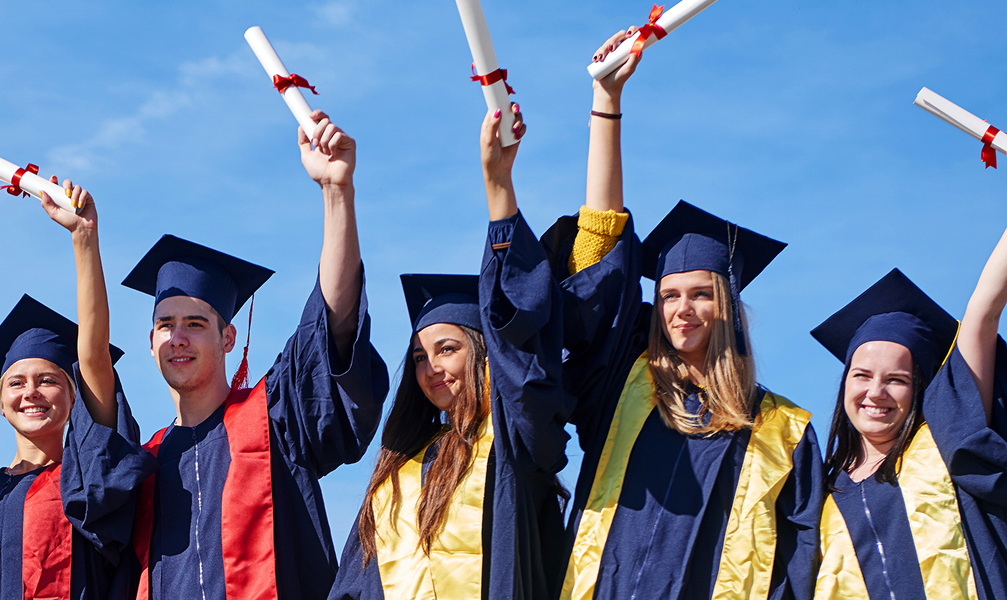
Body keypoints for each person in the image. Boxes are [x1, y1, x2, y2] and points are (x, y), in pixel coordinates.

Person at [545, 32, 821, 600]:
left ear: (729, 306)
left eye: (700, 294)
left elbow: (800, 569)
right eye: (669, 295)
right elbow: (601, 249)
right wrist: (606, 103)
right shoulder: (624, 381)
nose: (681, 310)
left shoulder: (785, 431)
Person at [122, 110, 390, 600]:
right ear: (151, 341)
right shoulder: (143, 466)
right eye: (165, 325)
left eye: (196, 324)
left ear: (228, 338)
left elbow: (331, 325)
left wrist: (337, 193)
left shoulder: (273, 419)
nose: (178, 337)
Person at [330, 106, 572, 600]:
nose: (432, 367)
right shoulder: (396, 476)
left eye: (447, 349)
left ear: (485, 355)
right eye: (420, 357)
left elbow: (520, 355)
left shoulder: (512, 441)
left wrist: (498, 184)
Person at [807, 139, 1007, 600]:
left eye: (896, 380)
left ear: (922, 391)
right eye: (862, 375)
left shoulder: (944, 446)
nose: (875, 392)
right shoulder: (815, 493)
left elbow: (982, 316)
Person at [0, 180, 154, 600]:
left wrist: (84, 239)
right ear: (0, 403)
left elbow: (94, 358)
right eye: (16, 382)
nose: (31, 392)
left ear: (75, 397)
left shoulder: (87, 487)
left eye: (48, 380)